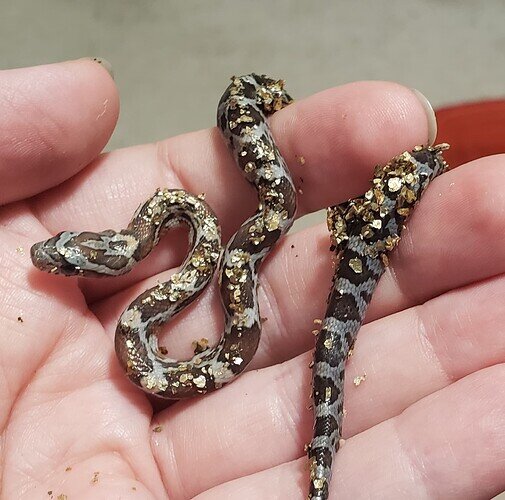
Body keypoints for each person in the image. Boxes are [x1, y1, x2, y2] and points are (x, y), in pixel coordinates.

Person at [1, 58, 504, 499]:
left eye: (67, 257)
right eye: (70, 260)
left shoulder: (182, 214)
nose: (55, 261)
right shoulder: (181, 230)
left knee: (270, 179)